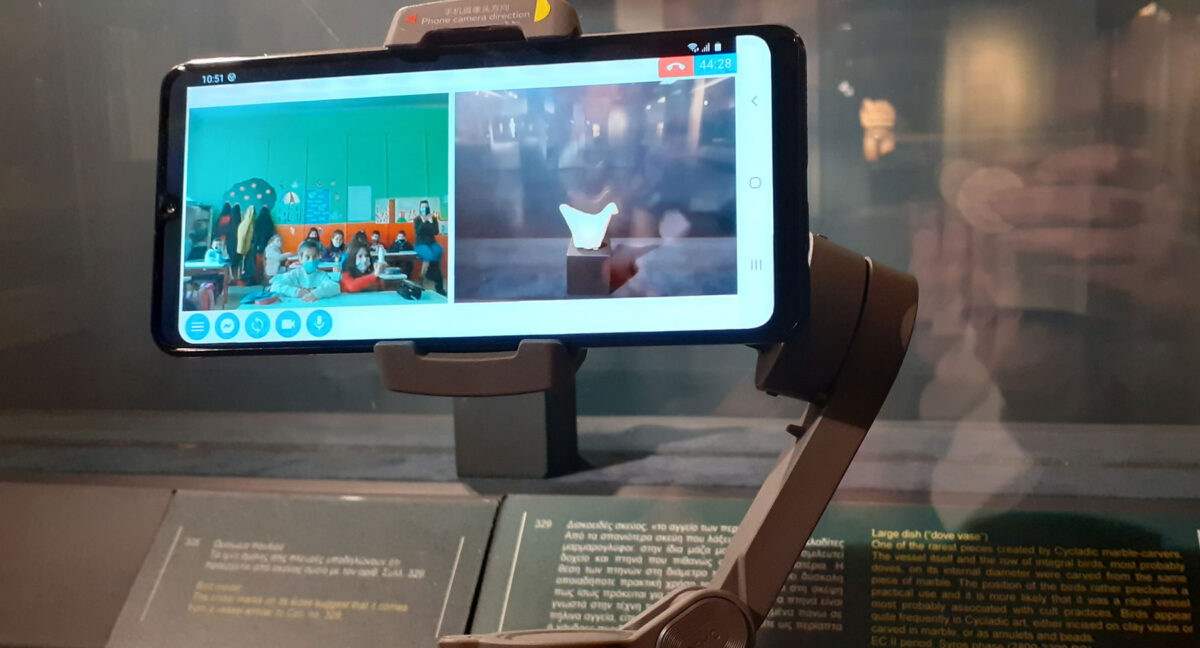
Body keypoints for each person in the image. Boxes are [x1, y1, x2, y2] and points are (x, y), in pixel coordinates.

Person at [270, 240, 340, 302]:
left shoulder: (322, 275)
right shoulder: (295, 274)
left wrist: (315, 294)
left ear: (319, 258)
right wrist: (296, 292)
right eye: (307, 257)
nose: (311, 260)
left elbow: (335, 287)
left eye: (314, 257)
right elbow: (275, 287)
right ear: (300, 259)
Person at [414, 201, 445, 294]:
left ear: (429, 208)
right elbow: (418, 232)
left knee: (439, 251)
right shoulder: (417, 219)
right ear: (420, 208)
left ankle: (437, 284)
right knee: (430, 256)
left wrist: (431, 221)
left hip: (431, 243)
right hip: (420, 244)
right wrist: (423, 221)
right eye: (422, 207)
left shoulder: (433, 218)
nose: (424, 209)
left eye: (426, 207)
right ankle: (425, 280)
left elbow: (436, 232)